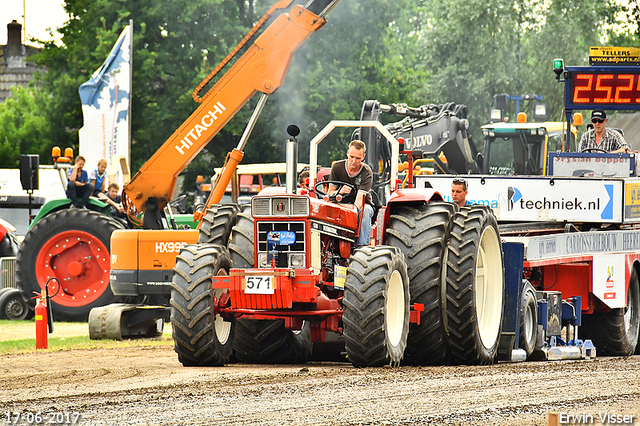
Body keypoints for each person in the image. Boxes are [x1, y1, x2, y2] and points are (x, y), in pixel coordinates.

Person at [324, 140, 374, 246]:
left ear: (363, 157)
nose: (354, 161)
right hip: (340, 203)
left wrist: (349, 217)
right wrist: (339, 192)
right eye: (351, 157)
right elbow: (330, 192)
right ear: (347, 153)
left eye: (358, 158)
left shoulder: (366, 172)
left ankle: (362, 247)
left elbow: (359, 200)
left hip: (359, 205)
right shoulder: (337, 167)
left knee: (366, 211)